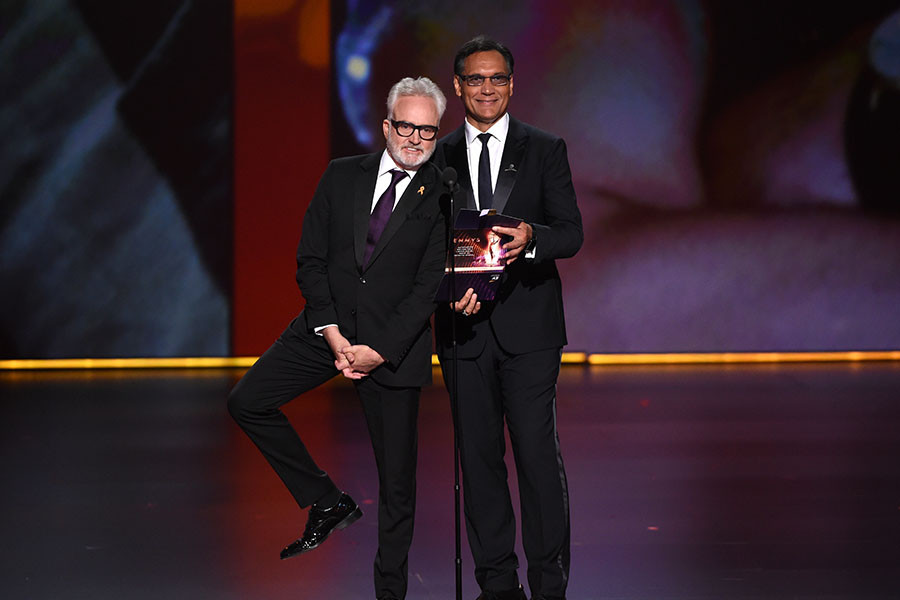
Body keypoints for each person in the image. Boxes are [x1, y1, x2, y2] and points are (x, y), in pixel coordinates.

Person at [228, 76, 447, 600]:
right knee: (248, 402)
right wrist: (332, 334)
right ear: (386, 125)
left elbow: (429, 287)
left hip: (392, 347)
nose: (415, 139)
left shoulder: (443, 192)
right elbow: (310, 259)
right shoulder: (342, 175)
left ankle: (389, 593)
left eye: (428, 131)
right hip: (326, 329)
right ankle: (326, 501)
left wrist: (380, 349)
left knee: (397, 487)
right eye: (406, 126)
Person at [434, 36, 583, 600]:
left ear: (512, 84)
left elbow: (571, 232)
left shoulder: (545, 149)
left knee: (536, 456)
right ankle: (497, 585)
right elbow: (421, 245)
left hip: (530, 331)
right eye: (476, 79)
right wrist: (443, 297)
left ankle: (549, 585)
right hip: (461, 328)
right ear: (458, 86)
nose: (487, 88)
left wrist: (531, 239)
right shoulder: (437, 156)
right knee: (478, 460)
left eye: (497, 78)